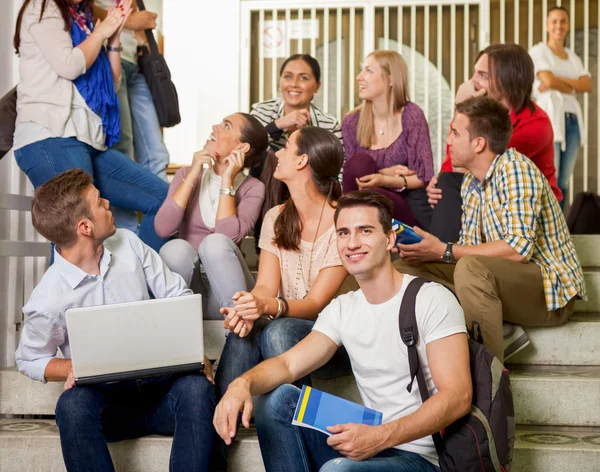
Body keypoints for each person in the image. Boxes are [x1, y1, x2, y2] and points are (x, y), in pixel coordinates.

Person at [213, 190, 472, 472]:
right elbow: (287, 364)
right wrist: (240, 385)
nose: (352, 243)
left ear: (389, 239)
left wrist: (379, 437)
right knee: (275, 402)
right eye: (343, 233)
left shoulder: (431, 298)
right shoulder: (343, 308)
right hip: (370, 436)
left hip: (422, 457)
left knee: (338, 470)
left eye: (365, 231)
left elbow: (457, 397)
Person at [14, 169, 216, 472]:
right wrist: (69, 367)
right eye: (99, 202)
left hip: (161, 391)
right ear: (84, 226)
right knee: (71, 406)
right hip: (109, 406)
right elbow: (28, 359)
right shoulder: (47, 300)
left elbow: (177, 295)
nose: (108, 203)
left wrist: (188, 350)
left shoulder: (128, 243)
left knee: (198, 389)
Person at [394, 96, 587, 362]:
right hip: (505, 282)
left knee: (470, 267)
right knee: (404, 269)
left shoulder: (516, 169)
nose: (448, 140)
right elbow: (470, 248)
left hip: (551, 294)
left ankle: (489, 383)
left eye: (455, 132)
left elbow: (518, 249)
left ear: (479, 143)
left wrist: (444, 249)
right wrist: (431, 251)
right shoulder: (471, 183)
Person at [13, 0, 168, 252]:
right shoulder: (43, 7)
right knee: (77, 232)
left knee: (163, 200)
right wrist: (102, 31)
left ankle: (140, 282)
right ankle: (74, 292)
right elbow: (70, 65)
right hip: (49, 136)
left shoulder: (82, 18)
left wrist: (114, 38)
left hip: (88, 138)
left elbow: (112, 84)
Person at [214, 126, 352, 399]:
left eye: (286, 146)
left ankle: (298, 421)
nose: (277, 153)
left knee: (278, 330)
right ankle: (223, 413)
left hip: (336, 340)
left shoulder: (345, 222)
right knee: (247, 328)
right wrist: (248, 307)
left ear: (302, 161)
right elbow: (265, 284)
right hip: (287, 324)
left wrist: (269, 305)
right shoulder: (276, 217)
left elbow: (315, 306)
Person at [427, 43, 561, 243]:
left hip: (527, 212)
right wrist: (436, 184)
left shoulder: (535, 125)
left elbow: (475, 166)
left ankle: (438, 259)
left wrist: (460, 108)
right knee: (440, 187)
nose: (472, 82)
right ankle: (437, 257)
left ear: (507, 80)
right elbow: (454, 163)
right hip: (489, 199)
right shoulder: (484, 118)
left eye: (482, 75)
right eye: (475, 73)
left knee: (450, 183)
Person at [154, 113, 268, 320]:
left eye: (226, 126)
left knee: (215, 242)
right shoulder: (186, 175)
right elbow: (163, 228)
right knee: (174, 248)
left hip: (231, 291)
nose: (215, 126)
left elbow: (227, 237)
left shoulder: (253, 188)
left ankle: (237, 334)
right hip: (191, 289)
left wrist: (227, 180)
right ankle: (169, 327)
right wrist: (193, 174)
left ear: (242, 147)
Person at [250, 54, 344, 252]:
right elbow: (246, 150)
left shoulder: (328, 124)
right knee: (269, 158)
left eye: (303, 78)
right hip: (264, 186)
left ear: (317, 86)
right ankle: (267, 244)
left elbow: (338, 169)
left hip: (310, 189)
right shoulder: (262, 111)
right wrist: (279, 125)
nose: (294, 84)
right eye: (288, 76)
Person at [342, 50, 434, 230]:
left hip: (406, 203)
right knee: (361, 165)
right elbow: (353, 177)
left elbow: (423, 177)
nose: (359, 77)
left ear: (391, 80)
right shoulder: (352, 121)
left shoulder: (412, 115)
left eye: (369, 71)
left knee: (375, 193)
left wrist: (384, 180)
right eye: (362, 70)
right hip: (362, 203)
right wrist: (386, 172)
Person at [93, 0, 171, 182]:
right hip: (107, 61)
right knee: (122, 149)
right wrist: (128, 21)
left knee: (156, 154)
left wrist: (140, 33)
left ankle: (164, 210)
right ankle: (121, 211)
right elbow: (82, 10)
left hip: (134, 64)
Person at [530, 6, 593, 208]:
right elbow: (547, 80)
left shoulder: (572, 56)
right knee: (551, 176)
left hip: (572, 119)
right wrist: (572, 83)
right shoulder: (539, 51)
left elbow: (588, 85)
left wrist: (558, 81)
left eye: (563, 21)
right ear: (547, 25)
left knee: (564, 180)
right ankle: (546, 228)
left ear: (568, 26)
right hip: (550, 118)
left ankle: (559, 228)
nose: (559, 26)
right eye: (554, 21)